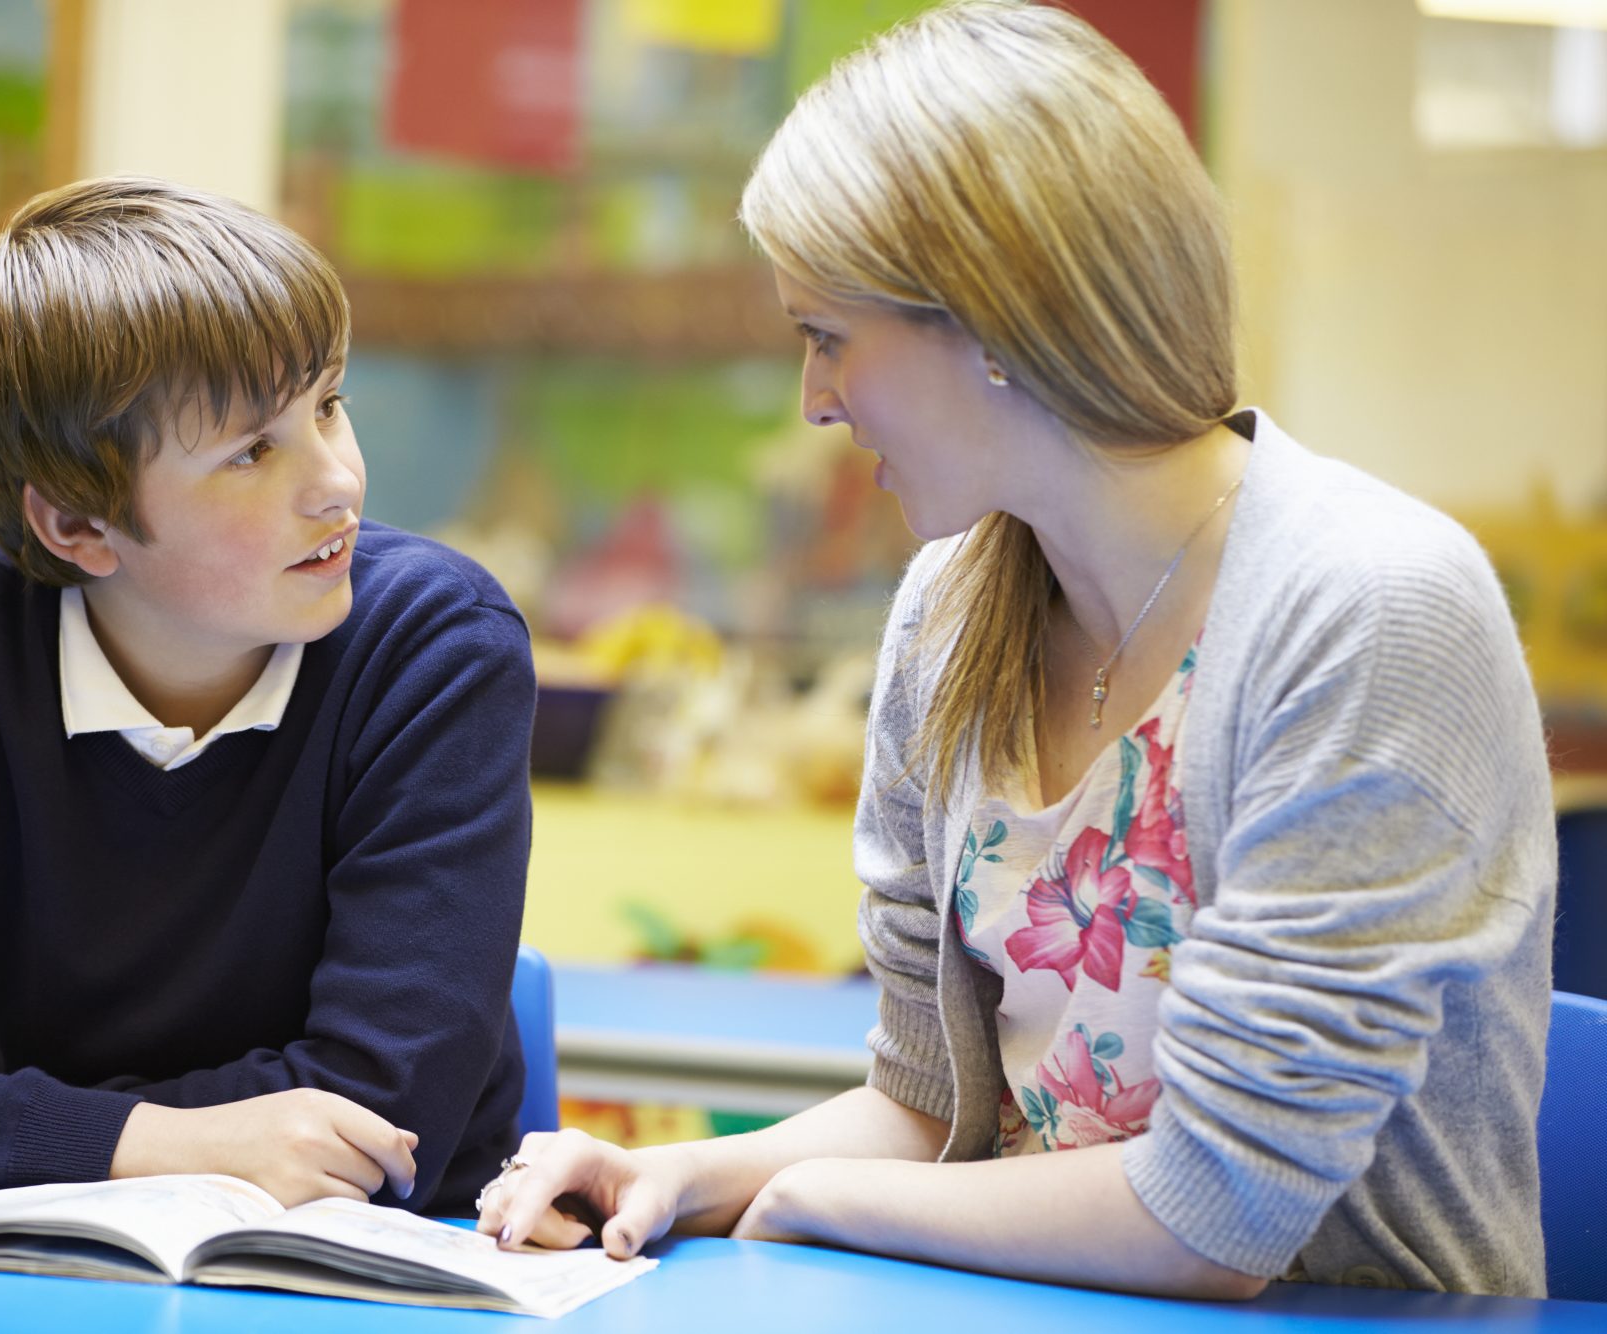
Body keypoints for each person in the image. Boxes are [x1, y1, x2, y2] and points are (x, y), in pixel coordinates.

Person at [477, 0, 1553, 1299]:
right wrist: (695, 1176)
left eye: (828, 337)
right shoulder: (953, 611)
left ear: (992, 321)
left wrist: (817, 1199)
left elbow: (1215, 1212)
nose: (813, 401)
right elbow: (932, 1107)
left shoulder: (1370, 606)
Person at [0, 176, 538, 1214]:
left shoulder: (436, 646)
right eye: (252, 451)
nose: (337, 481)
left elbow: (377, 1115)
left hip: (373, 1268)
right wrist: (155, 1140)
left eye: (327, 403)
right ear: (78, 528)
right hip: (46, 1247)